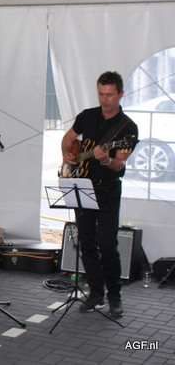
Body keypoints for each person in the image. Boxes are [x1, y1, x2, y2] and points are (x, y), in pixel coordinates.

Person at [61, 71, 138, 319]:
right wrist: (67, 154)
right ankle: (96, 293)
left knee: (107, 245)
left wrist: (105, 160)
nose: (105, 100)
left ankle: (114, 296)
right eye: (101, 94)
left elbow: (119, 164)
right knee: (86, 242)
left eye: (110, 95)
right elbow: (68, 138)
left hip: (107, 189)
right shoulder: (87, 116)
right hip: (82, 184)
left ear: (120, 94)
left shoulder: (128, 128)